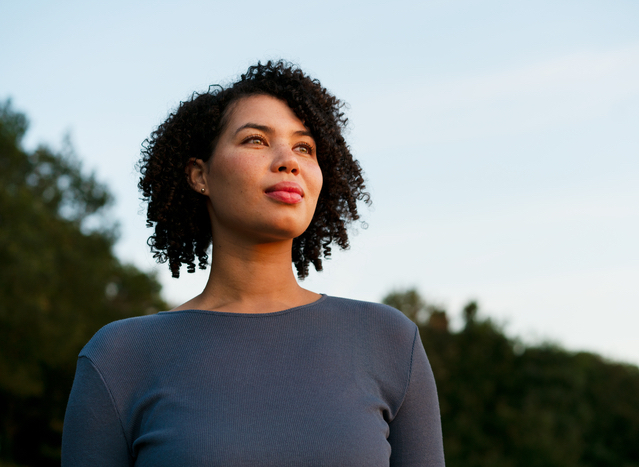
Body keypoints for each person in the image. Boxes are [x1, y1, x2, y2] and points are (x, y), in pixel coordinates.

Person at [62, 60, 444, 466]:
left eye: (304, 147)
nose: (288, 160)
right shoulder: (119, 357)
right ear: (199, 174)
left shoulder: (391, 342)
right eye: (256, 140)